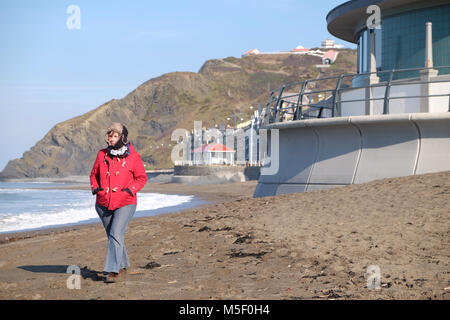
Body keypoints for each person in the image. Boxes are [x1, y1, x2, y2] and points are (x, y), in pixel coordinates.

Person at [90, 122, 148, 283]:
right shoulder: (102, 154)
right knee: (114, 236)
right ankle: (122, 264)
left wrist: (130, 190)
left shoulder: (133, 156)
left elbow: (142, 178)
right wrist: (96, 189)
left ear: (122, 137)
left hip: (126, 202)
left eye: (115, 136)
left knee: (115, 233)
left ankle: (112, 270)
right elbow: (93, 175)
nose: (111, 139)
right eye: (110, 136)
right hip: (103, 203)